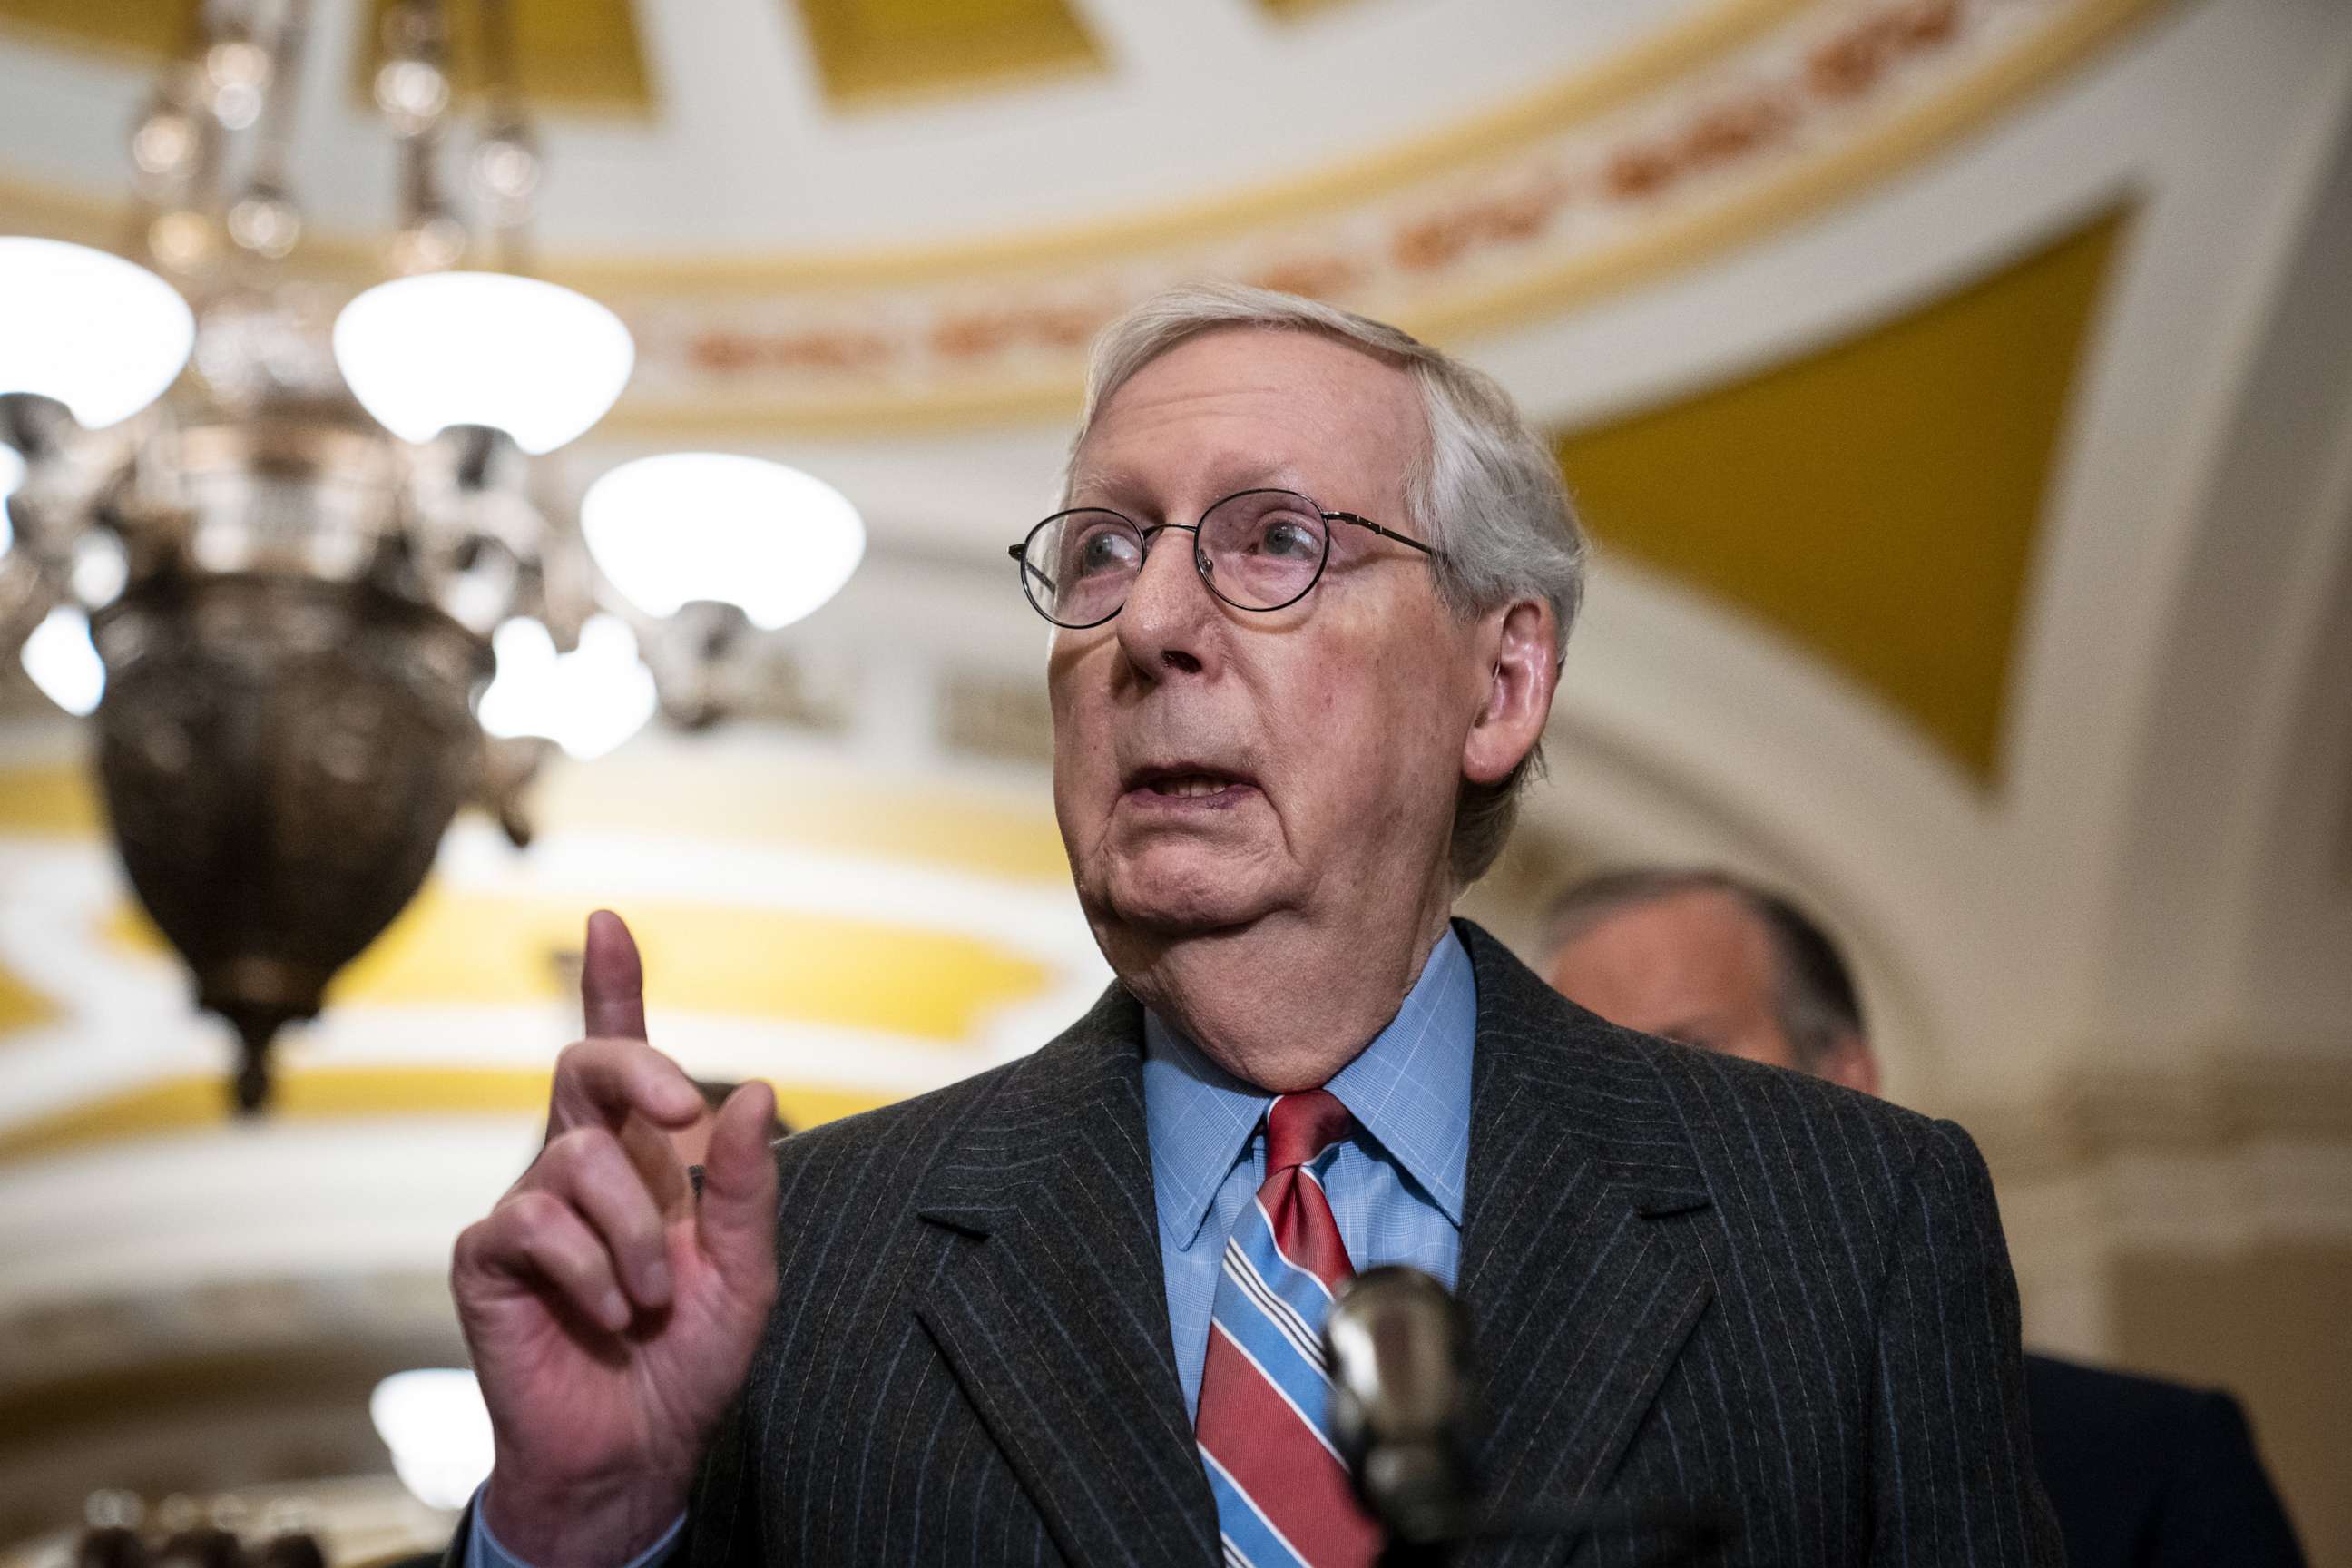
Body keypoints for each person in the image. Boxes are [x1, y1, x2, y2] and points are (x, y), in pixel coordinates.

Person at [446, 285, 2063, 1568]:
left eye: (1275, 540)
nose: (1150, 622)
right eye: (1101, 549)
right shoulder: (801, 1264)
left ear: (1500, 684)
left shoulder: (1852, 1222)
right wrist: (580, 1534)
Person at [1542, 867, 2309, 1568]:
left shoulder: (2154, 1458)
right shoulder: (1531, 1459)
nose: (1634, 1121)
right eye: (1596, 1081)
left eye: (1689, 1056)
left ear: (1849, 1085)